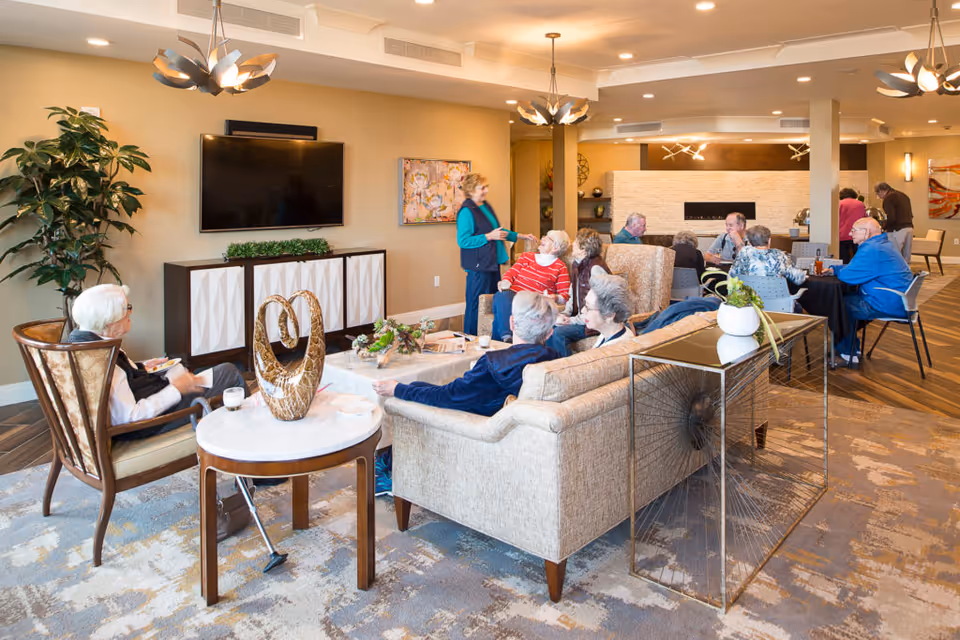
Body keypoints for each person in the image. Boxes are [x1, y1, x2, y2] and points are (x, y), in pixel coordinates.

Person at [67, 284, 245, 439]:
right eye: (126, 308)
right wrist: (177, 388)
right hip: (149, 424)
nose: (130, 312)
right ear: (109, 322)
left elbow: (121, 381)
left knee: (178, 369)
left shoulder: (84, 343)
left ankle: (224, 426)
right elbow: (131, 416)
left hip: (147, 394)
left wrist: (141, 367)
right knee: (228, 372)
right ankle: (249, 443)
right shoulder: (104, 359)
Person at [373, 291, 558, 416]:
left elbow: (447, 396)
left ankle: (388, 462)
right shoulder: (557, 361)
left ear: (511, 323)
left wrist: (397, 389)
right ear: (550, 332)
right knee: (417, 385)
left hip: (474, 425)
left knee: (411, 394)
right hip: (509, 422)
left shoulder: (493, 364)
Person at [823, 217, 913, 364]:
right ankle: (851, 346)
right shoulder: (882, 245)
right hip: (900, 302)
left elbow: (849, 276)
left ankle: (848, 353)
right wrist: (835, 269)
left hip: (886, 304)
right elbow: (857, 269)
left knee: (838, 304)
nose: (850, 233)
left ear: (866, 232)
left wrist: (836, 271)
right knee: (847, 301)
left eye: (853, 230)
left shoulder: (872, 249)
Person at [456, 173, 538, 336]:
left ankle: (493, 338)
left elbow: (497, 232)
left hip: (492, 262)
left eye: (486, 187)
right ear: (472, 190)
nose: (486, 190)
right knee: (476, 305)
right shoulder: (466, 212)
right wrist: (488, 236)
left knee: (494, 301)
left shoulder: (484, 206)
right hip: (478, 266)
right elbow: (463, 241)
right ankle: (470, 338)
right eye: (482, 188)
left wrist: (520, 235)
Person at [492, 230, 571, 342]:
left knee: (498, 315)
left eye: (548, 238)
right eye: (544, 236)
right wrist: (505, 282)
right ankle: (507, 337)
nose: (542, 238)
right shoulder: (527, 256)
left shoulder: (560, 267)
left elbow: (565, 296)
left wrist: (554, 297)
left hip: (533, 303)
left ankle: (503, 342)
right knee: (501, 296)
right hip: (513, 297)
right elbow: (511, 273)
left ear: (555, 248)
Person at [546, 228, 611, 357]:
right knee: (548, 326)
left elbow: (598, 308)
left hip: (593, 322)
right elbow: (572, 296)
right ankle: (549, 367)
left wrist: (571, 321)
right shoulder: (577, 264)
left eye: (576, 241)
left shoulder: (596, 269)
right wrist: (564, 314)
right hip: (580, 318)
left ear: (583, 249)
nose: (572, 244)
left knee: (558, 333)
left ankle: (566, 370)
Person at [730, 225, 807, 286]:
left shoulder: (743, 253)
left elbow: (731, 276)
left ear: (749, 242)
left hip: (751, 303)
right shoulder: (780, 255)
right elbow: (799, 279)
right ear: (769, 240)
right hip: (778, 303)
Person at [583, 271, 636, 348]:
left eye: (588, 307)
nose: (583, 310)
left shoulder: (612, 349)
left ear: (609, 315)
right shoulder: (609, 335)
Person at [874, 182, 914, 262]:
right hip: (909, 228)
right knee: (906, 257)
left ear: (882, 191)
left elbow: (891, 218)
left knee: (895, 255)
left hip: (897, 229)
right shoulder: (903, 195)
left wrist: (883, 228)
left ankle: (895, 273)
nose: (879, 197)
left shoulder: (888, 198)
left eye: (878, 194)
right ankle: (906, 272)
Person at [838, 188, 865, 263]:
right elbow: (865, 218)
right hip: (857, 234)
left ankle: (844, 272)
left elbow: (835, 219)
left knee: (843, 258)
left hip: (842, 235)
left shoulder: (840, 204)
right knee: (858, 257)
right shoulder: (860, 204)